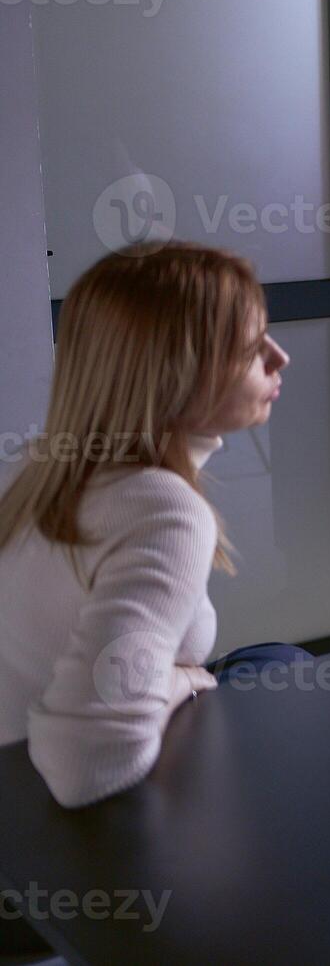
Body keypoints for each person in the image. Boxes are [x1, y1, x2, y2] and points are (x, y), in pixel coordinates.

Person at [0, 243, 291, 808]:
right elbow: (84, 763)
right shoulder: (163, 510)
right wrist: (181, 680)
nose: (280, 359)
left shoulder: (35, 470)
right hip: (43, 802)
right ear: (178, 372)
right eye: (252, 347)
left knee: (277, 661)